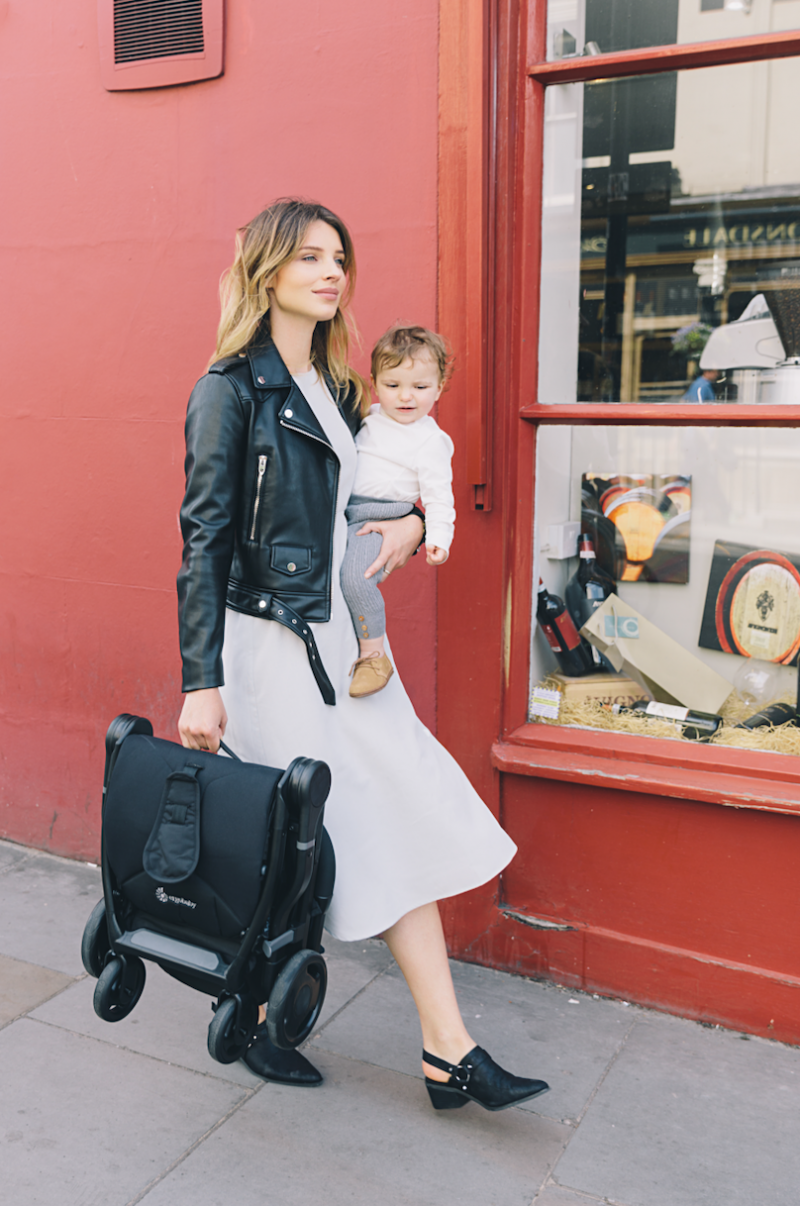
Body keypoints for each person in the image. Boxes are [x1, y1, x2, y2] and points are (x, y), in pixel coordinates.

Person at [177, 197, 549, 1112]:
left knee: (377, 817)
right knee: (314, 829)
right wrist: (200, 683)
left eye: (338, 256)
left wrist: (420, 519)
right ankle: (422, 1043)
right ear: (267, 271)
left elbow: (375, 494)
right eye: (308, 257)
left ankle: (438, 1047)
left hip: (339, 647)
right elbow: (204, 539)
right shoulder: (230, 388)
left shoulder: (344, 391)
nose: (330, 271)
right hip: (269, 646)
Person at [342, 324, 455, 698]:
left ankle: (374, 656)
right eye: (393, 386)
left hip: (384, 518)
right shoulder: (369, 418)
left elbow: (439, 495)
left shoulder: (430, 441)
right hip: (347, 512)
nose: (406, 397)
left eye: (420, 388)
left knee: (358, 579)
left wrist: (438, 537)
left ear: (439, 387)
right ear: (374, 383)